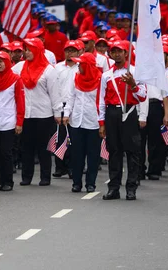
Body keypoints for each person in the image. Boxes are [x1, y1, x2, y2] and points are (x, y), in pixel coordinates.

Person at [98, 40, 147, 201]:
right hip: (112, 113)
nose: (117, 54)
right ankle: (114, 188)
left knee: (132, 151)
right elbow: (101, 101)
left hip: (129, 112)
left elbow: (142, 96)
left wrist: (133, 85)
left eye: (120, 51)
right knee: (114, 151)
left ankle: (131, 187)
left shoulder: (135, 72)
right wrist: (101, 123)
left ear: (126, 53)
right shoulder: (106, 75)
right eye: (114, 51)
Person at [12, 38, 60, 186]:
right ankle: (26, 177)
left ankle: (45, 177)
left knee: (43, 148)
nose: (26, 52)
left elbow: (55, 93)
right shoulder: (19, 67)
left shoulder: (49, 70)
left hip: (44, 114)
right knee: (26, 147)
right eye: (25, 49)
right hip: (25, 114)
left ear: (38, 50)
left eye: (30, 49)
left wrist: (58, 113)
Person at [64, 53, 102, 193]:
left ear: (88, 66)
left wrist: (103, 122)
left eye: (81, 64)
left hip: (93, 122)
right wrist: (67, 113)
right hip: (77, 122)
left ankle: (90, 183)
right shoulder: (76, 78)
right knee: (77, 154)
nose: (78, 66)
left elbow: (102, 102)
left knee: (93, 155)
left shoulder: (100, 79)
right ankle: (76, 183)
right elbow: (71, 97)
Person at [0, 51, 25, 191]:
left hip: (8, 121)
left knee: (6, 152)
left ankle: (8, 181)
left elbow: (20, 101)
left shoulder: (15, 79)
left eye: (1, 61)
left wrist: (19, 122)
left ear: (7, 62)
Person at [52, 40, 84, 178]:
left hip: (76, 105)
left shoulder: (80, 68)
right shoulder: (57, 67)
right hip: (60, 104)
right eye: (67, 50)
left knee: (74, 138)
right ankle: (60, 167)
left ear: (79, 52)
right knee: (60, 137)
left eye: (73, 50)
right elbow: (53, 88)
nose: (69, 53)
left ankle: (72, 167)